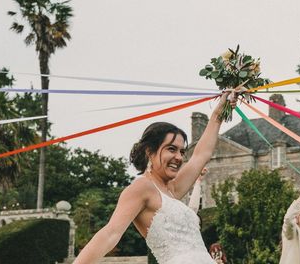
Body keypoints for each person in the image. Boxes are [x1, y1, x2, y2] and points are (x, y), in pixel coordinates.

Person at [74, 91, 237, 264]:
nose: (179, 157)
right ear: (149, 152)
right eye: (171, 149)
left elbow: (201, 155)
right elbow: (109, 234)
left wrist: (219, 113)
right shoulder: (142, 188)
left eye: (182, 151)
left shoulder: (173, 189)